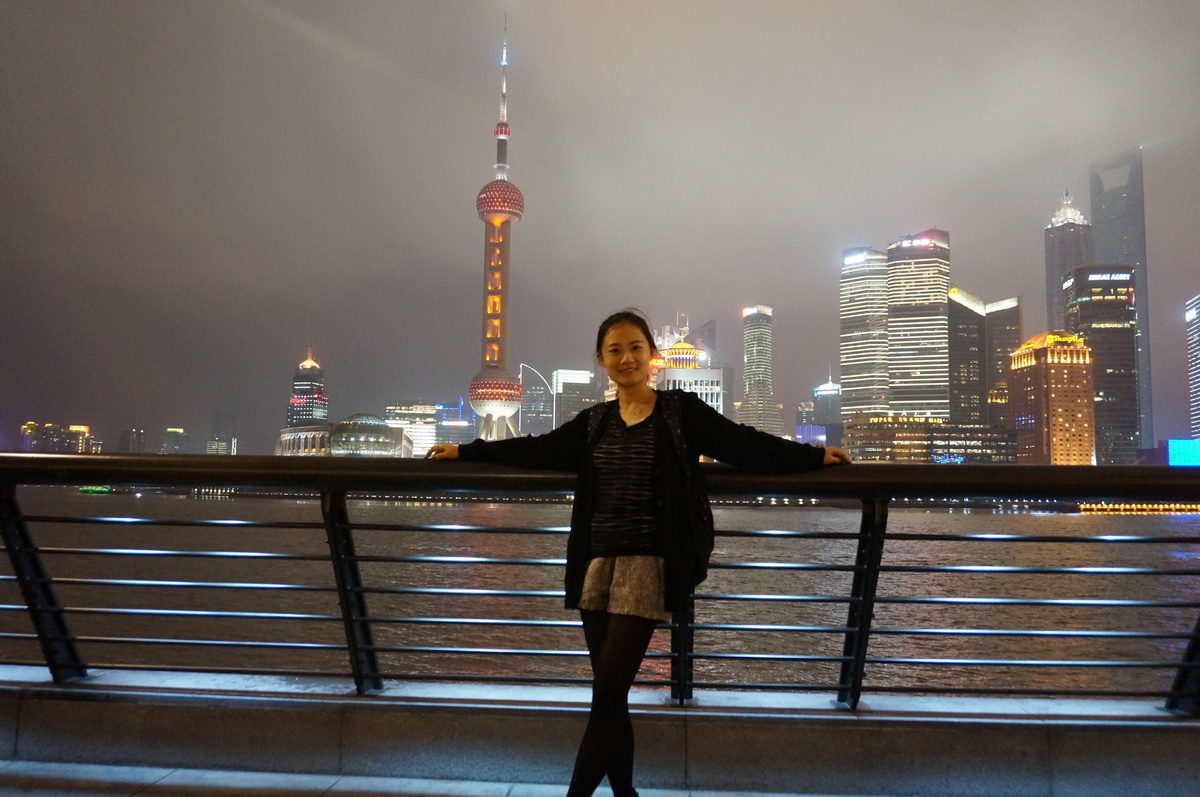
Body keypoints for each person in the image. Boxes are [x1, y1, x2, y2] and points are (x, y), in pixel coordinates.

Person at [426, 309, 850, 797]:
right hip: (595, 565)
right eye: (615, 350)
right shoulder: (594, 422)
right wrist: (469, 451)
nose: (626, 357)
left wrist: (812, 455)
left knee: (606, 693)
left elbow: (742, 444)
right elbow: (536, 449)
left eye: (635, 348)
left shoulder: (680, 412)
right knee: (612, 698)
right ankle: (625, 794)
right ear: (601, 359)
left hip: (648, 564)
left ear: (652, 355)